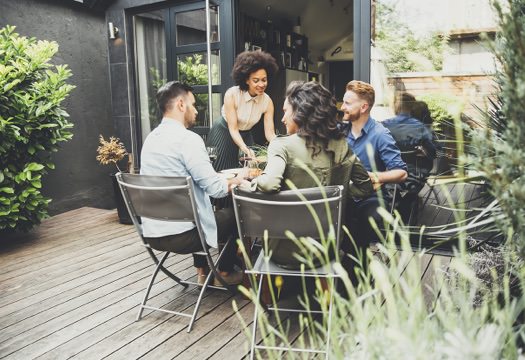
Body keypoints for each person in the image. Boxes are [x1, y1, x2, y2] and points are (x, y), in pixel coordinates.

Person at [254, 81, 373, 269]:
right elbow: (365, 186)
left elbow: (269, 184)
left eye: (286, 111)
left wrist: (251, 182)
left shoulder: (281, 145)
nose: (283, 118)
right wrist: (338, 192)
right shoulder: (341, 145)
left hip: (283, 251)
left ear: (301, 111)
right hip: (326, 249)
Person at [140, 81, 247, 285]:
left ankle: (204, 270)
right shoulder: (188, 139)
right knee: (239, 214)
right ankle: (224, 270)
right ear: (181, 104)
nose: (196, 110)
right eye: (193, 104)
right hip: (185, 236)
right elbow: (216, 190)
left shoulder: (150, 139)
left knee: (200, 211)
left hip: (152, 233)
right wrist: (238, 178)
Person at [340, 80, 408, 246]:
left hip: (371, 197)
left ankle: (359, 265)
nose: (342, 107)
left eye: (347, 103)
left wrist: (373, 176)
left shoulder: (380, 134)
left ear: (363, 107)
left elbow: (402, 173)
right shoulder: (340, 132)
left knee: (361, 224)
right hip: (344, 196)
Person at [207, 51, 279, 171]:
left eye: (264, 80)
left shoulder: (267, 101)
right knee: (220, 172)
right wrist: (244, 148)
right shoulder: (232, 94)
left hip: (245, 136)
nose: (261, 84)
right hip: (224, 133)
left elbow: (270, 133)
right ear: (246, 80)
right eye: (256, 80)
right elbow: (233, 129)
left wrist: (281, 146)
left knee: (246, 173)